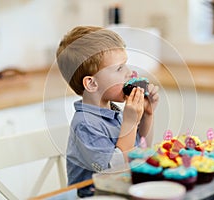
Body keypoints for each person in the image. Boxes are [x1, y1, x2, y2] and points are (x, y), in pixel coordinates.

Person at [56, 26, 159, 197]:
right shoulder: (85, 124)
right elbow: (113, 169)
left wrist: (147, 114)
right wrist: (130, 122)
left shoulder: (113, 112)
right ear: (91, 84)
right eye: (119, 68)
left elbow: (139, 149)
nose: (129, 73)